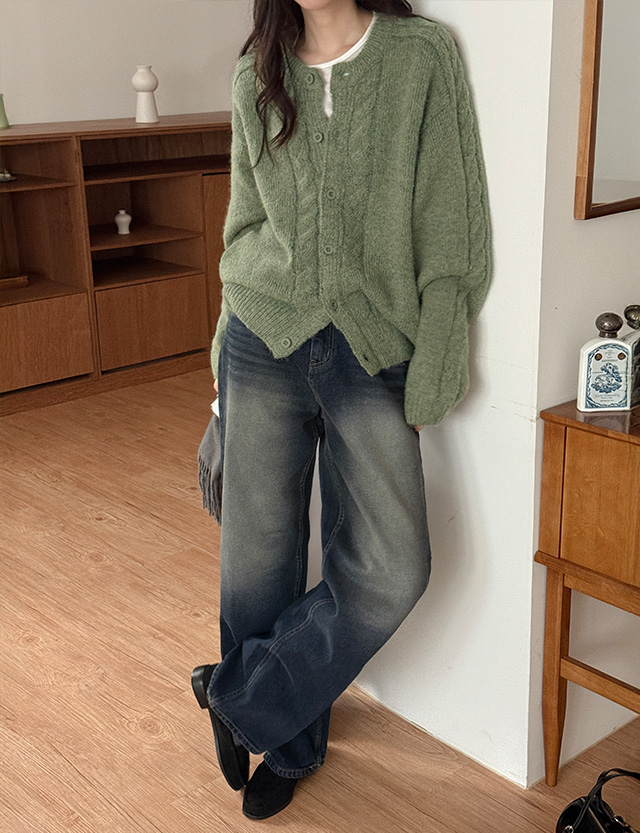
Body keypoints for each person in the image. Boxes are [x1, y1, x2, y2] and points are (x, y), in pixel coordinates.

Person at [192, 0, 491, 821]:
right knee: (257, 562)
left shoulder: (421, 56)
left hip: (371, 344)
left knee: (394, 566)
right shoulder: (256, 73)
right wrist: (220, 392)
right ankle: (286, 746)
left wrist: (435, 365)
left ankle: (240, 698)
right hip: (262, 334)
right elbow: (242, 232)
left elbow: (451, 227)